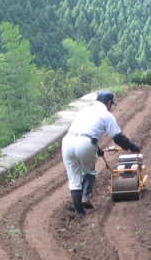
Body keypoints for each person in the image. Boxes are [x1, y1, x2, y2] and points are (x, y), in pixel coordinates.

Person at [60, 90, 140, 218]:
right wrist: (132, 147)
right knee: (89, 172)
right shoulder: (106, 115)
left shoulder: (84, 110)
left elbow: (84, 131)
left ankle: (80, 212)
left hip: (67, 142)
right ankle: (85, 197)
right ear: (109, 103)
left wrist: (97, 149)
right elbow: (118, 137)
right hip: (85, 143)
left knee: (74, 180)